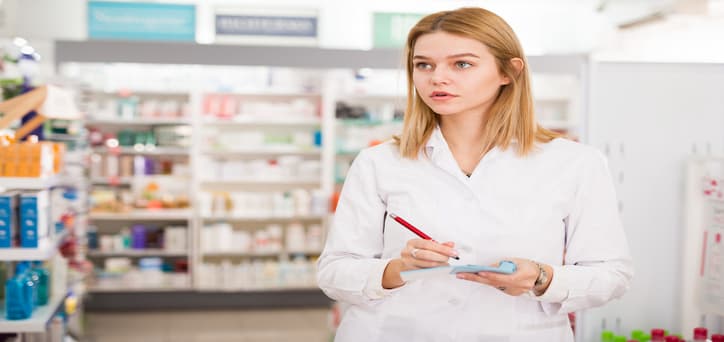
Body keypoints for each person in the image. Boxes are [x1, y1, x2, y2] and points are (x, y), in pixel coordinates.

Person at [317, 7, 633, 342]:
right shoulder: (379, 162)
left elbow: (611, 275)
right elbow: (334, 271)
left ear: (508, 71)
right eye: (423, 64)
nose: (437, 77)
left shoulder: (574, 163)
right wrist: (397, 269)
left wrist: (542, 277)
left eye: (461, 64)